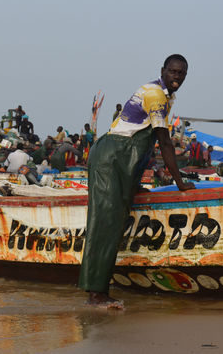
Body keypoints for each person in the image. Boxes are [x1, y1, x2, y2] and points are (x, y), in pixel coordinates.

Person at [79, 54, 195, 308]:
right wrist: (180, 182)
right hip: (110, 158)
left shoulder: (166, 96)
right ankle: (96, 294)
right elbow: (163, 141)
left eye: (182, 73)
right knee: (106, 224)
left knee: (115, 221)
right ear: (163, 71)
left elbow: (143, 143)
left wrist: (133, 184)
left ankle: (98, 290)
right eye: (173, 72)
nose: (177, 77)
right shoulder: (155, 95)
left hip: (121, 160)